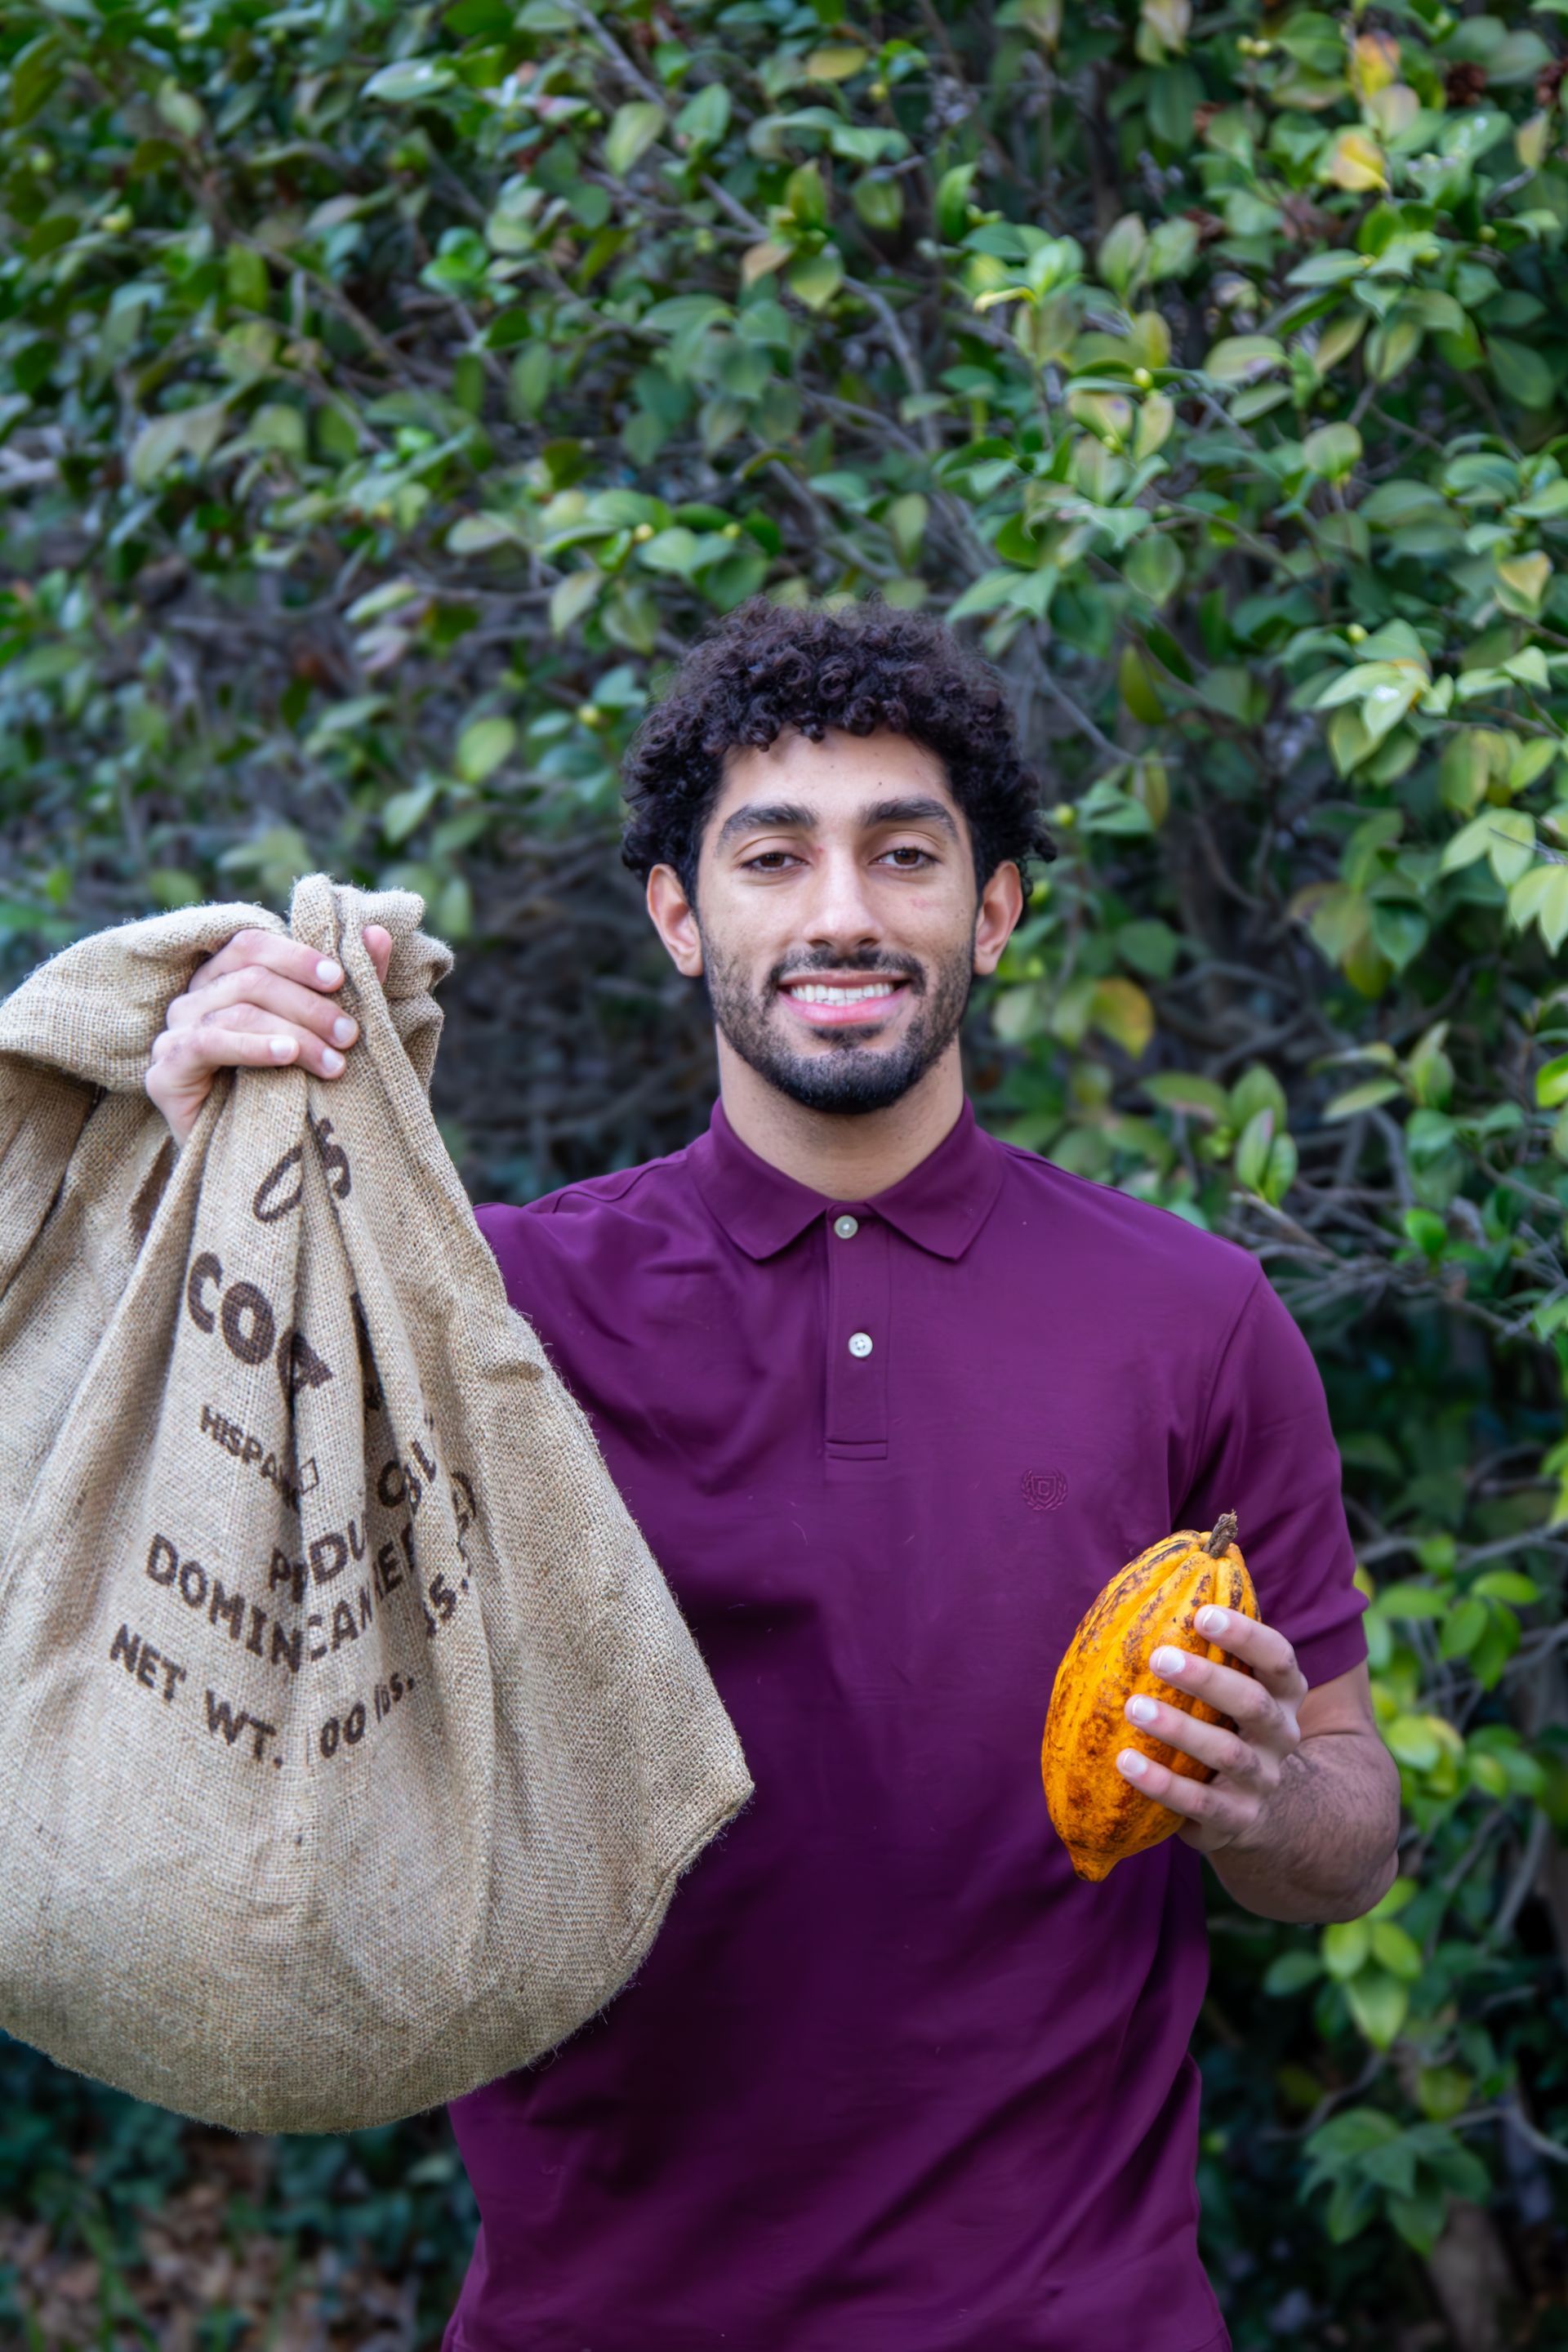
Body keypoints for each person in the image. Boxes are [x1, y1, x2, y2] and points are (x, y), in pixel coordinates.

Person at [146, 600, 1400, 2352]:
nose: (841, 913)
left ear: (995, 909)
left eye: (905, 854)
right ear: (680, 915)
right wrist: (189, 1156)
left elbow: (1351, 1833)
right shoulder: (488, 1309)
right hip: (596, 2317)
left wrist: (1273, 1805)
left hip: (1074, 2319)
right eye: (771, 855)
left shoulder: (1190, 1318)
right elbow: (186, 1546)